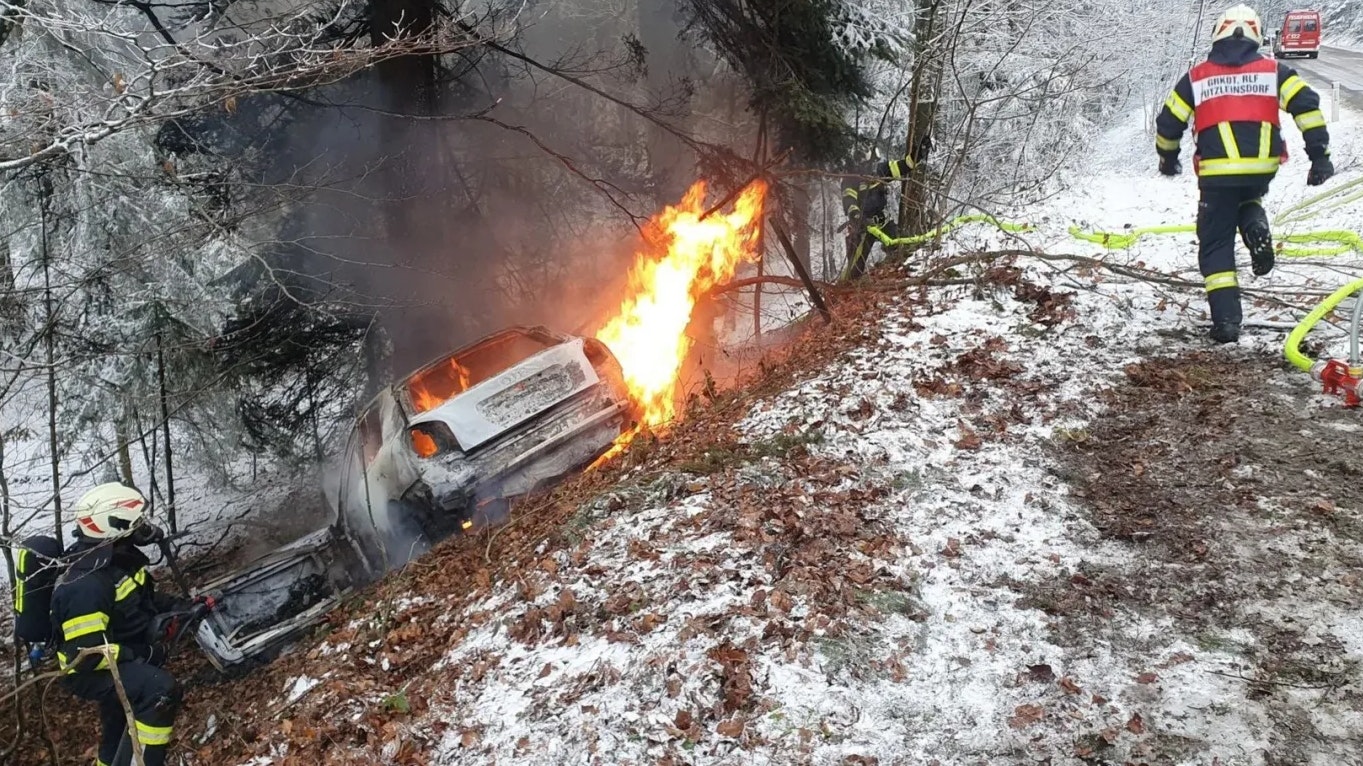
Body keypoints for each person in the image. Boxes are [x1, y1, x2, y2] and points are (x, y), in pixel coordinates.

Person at [1155, 4, 1333, 343]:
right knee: (1246, 196)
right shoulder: (1274, 72)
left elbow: (1168, 123)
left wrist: (1168, 158)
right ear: (1254, 34)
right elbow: (1307, 106)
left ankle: (1226, 323)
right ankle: (1255, 225)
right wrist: (1319, 157)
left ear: (1217, 34)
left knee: (1215, 242)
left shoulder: (1197, 77)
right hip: (1261, 168)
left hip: (1217, 173)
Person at [49, 483, 202, 766]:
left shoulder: (116, 561)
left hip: (116, 654)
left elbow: (141, 601)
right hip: (88, 669)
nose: (143, 527)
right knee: (159, 690)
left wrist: (180, 608)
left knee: (119, 724)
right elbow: (89, 654)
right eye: (136, 521)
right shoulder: (86, 585)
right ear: (113, 524)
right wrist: (144, 656)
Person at [840, 133, 932, 281]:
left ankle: (902, 280)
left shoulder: (880, 170)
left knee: (900, 247)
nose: (872, 169)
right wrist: (857, 216)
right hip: (861, 227)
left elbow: (903, 166)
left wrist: (917, 155)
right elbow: (849, 200)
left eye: (874, 163)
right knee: (854, 269)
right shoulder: (850, 179)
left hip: (881, 222)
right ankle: (844, 293)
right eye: (868, 164)